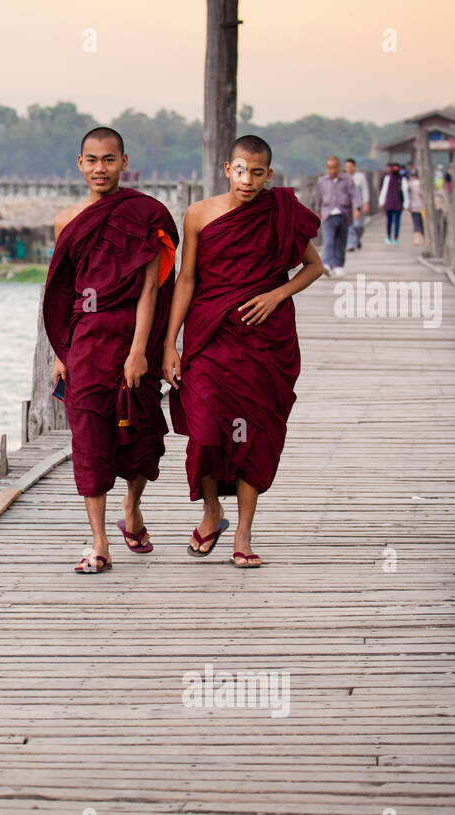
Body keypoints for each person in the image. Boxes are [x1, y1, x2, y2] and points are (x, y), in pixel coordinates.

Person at [163, 135, 324, 568]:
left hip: (264, 341)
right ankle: (212, 510)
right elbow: (187, 279)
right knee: (206, 432)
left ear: (269, 175)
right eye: (240, 170)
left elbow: (315, 266)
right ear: (226, 168)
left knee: (253, 433)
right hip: (210, 337)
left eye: (257, 172)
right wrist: (169, 342)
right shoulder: (198, 214)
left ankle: (245, 531)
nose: (248, 179)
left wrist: (277, 294)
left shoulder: (280, 214)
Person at [43, 127, 179, 573]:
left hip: (133, 337)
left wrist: (142, 350)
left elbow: (149, 291)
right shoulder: (68, 221)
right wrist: (62, 352)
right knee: (89, 439)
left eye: (109, 160)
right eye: (92, 160)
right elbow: (62, 293)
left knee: (142, 436)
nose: (100, 168)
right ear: (80, 164)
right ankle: (99, 541)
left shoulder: (145, 214)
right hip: (85, 342)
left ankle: (132, 506)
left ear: (124, 162)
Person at [315, 155, 359, 277]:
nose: (332, 170)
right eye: (329, 168)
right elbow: (318, 198)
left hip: (343, 214)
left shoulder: (347, 180)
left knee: (341, 242)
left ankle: (339, 265)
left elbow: (354, 195)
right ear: (326, 168)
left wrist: (356, 208)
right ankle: (327, 264)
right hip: (328, 214)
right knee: (329, 241)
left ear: (339, 167)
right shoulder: (322, 181)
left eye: (334, 168)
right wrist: (318, 212)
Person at [344, 158, 370, 251]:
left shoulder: (360, 177)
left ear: (354, 167)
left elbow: (365, 190)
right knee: (350, 225)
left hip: (359, 204)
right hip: (347, 205)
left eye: (350, 166)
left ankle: (357, 239)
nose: (348, 168)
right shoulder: (344, 178)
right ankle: (351, 244)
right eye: (347, 167)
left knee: (359, 225)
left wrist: (366, 203)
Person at [380, 162, 408, 244]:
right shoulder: (402, 179)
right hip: (397, 203)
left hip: (390, 202)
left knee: (389, 221)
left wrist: (381, 201)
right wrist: (406, 203)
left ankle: (389, 237)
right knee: (396, 221)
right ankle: (395, 238)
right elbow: (405, 192)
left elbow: (384, 191)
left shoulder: (388, 178)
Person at [406, 166, 426, 245]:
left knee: (416, 223)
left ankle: (416, 240)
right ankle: (425, 239)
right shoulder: (423, 183)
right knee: (423, 223)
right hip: (423, 207)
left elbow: (407, 194)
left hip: (414, 207)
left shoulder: (410, 183)